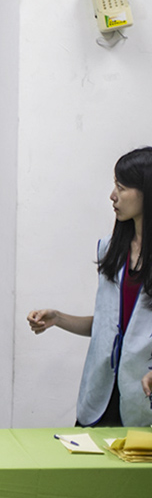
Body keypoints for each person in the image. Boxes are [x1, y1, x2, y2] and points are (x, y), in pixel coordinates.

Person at [28, 146, 152, 427]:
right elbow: (109, 326)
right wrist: (57, 318)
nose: (112, 196)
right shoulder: (111, 251)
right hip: (100, 400)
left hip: (143, 400)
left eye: (121, 187)